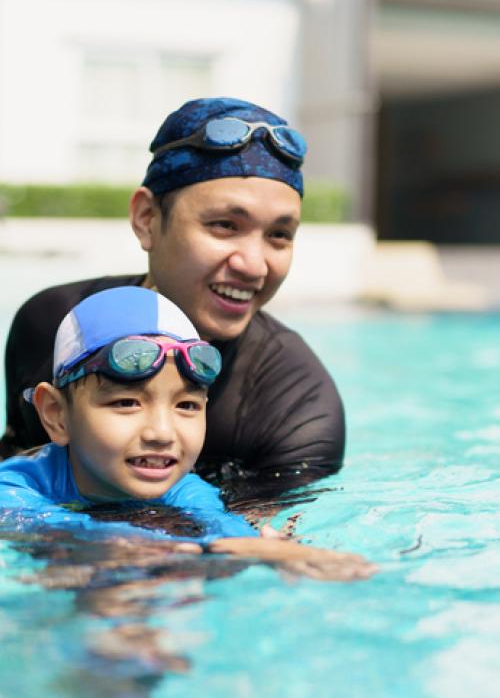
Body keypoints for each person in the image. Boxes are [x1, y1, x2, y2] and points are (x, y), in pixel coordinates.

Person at [1, 97, 345, 501]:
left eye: (279, 235)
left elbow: (253, 552)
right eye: (224, 225)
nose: (254, 265)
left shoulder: (294, 408)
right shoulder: (53, 325)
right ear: (147, 218)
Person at [0, 286, 376, 581]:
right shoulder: (17, 485)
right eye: (127, 403)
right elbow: (37, 527)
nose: (163, 432)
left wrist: (280, 553)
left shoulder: (186, 490)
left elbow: (225, 532)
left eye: (186, 406)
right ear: (57, 416)